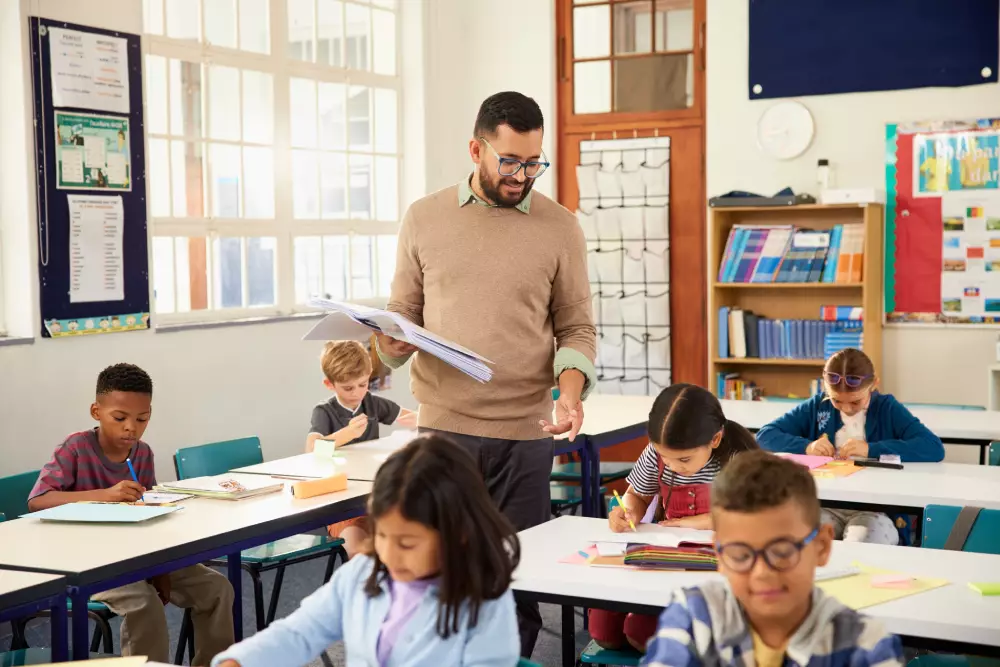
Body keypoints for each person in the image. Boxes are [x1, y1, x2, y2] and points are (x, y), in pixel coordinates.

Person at [374, 91, 596, 656]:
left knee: (514, 581)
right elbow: (402, 318)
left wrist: (569, 395)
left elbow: (575, 326)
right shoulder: (424, 217)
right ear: (477, 149)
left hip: (525, 432)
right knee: (441, 573)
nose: (523, 175)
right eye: (511, 161)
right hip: (444, 430)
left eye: (534, 162)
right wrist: (390, 340)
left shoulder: (561, 226)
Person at [211, 435, 520, 667]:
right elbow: (301, 632)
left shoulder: (485, 599)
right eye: (381, 535)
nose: (389, 554)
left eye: (407, 543)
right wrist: (240, 661)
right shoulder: (362, 574)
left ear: (459, 534)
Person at [27, 363, 234, 664]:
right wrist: (105, 496)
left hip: (139, 555)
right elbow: (38, 501)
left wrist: (161, 570)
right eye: (120, 418)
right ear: (96, 412)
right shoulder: (75, 448)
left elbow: (149, 514)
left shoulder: (142, 453)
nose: (131, 428)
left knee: (217, 589)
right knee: (144, 604)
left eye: (142, 419)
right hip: (87, 561)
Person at [641, 450, 905, 667]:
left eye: (781, 552)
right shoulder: (695, 617)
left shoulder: (865, 645)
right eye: (741, 554)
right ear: (719, 554)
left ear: (821, 547)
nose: (761, 573)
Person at [590, 383, 758, 651]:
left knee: (642, 633)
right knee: (603, 632)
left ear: (714, 440)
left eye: (684, 460)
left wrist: (703, 522)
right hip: (666, 556)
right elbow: (638, 494)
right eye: (666, 458)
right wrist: (629, 509)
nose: (673, 467)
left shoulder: (739, 459)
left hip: (718, 566)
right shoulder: (657, 454)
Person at [756, 348, 944, 544]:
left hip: (875, 509)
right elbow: (765, 435)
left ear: (874, 385)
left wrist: (872, 449)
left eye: (856, 402)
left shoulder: (887, 408)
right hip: (824, 504)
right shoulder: (818, 405)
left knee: (860, 547)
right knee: (802, 543)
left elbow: (932, 447)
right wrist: (808, 446)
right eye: (836, 400)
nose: (847, 408)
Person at [307, 340, 417, 557]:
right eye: (348, 388)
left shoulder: (371, 403)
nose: (357, 393)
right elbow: (312, 449)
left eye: (363, 384)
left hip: (375, 496)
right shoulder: (324, 411)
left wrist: (426, 419)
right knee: (358, 552)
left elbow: (408, 416)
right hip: (341, 502)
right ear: (330, 384)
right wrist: (346, 435)